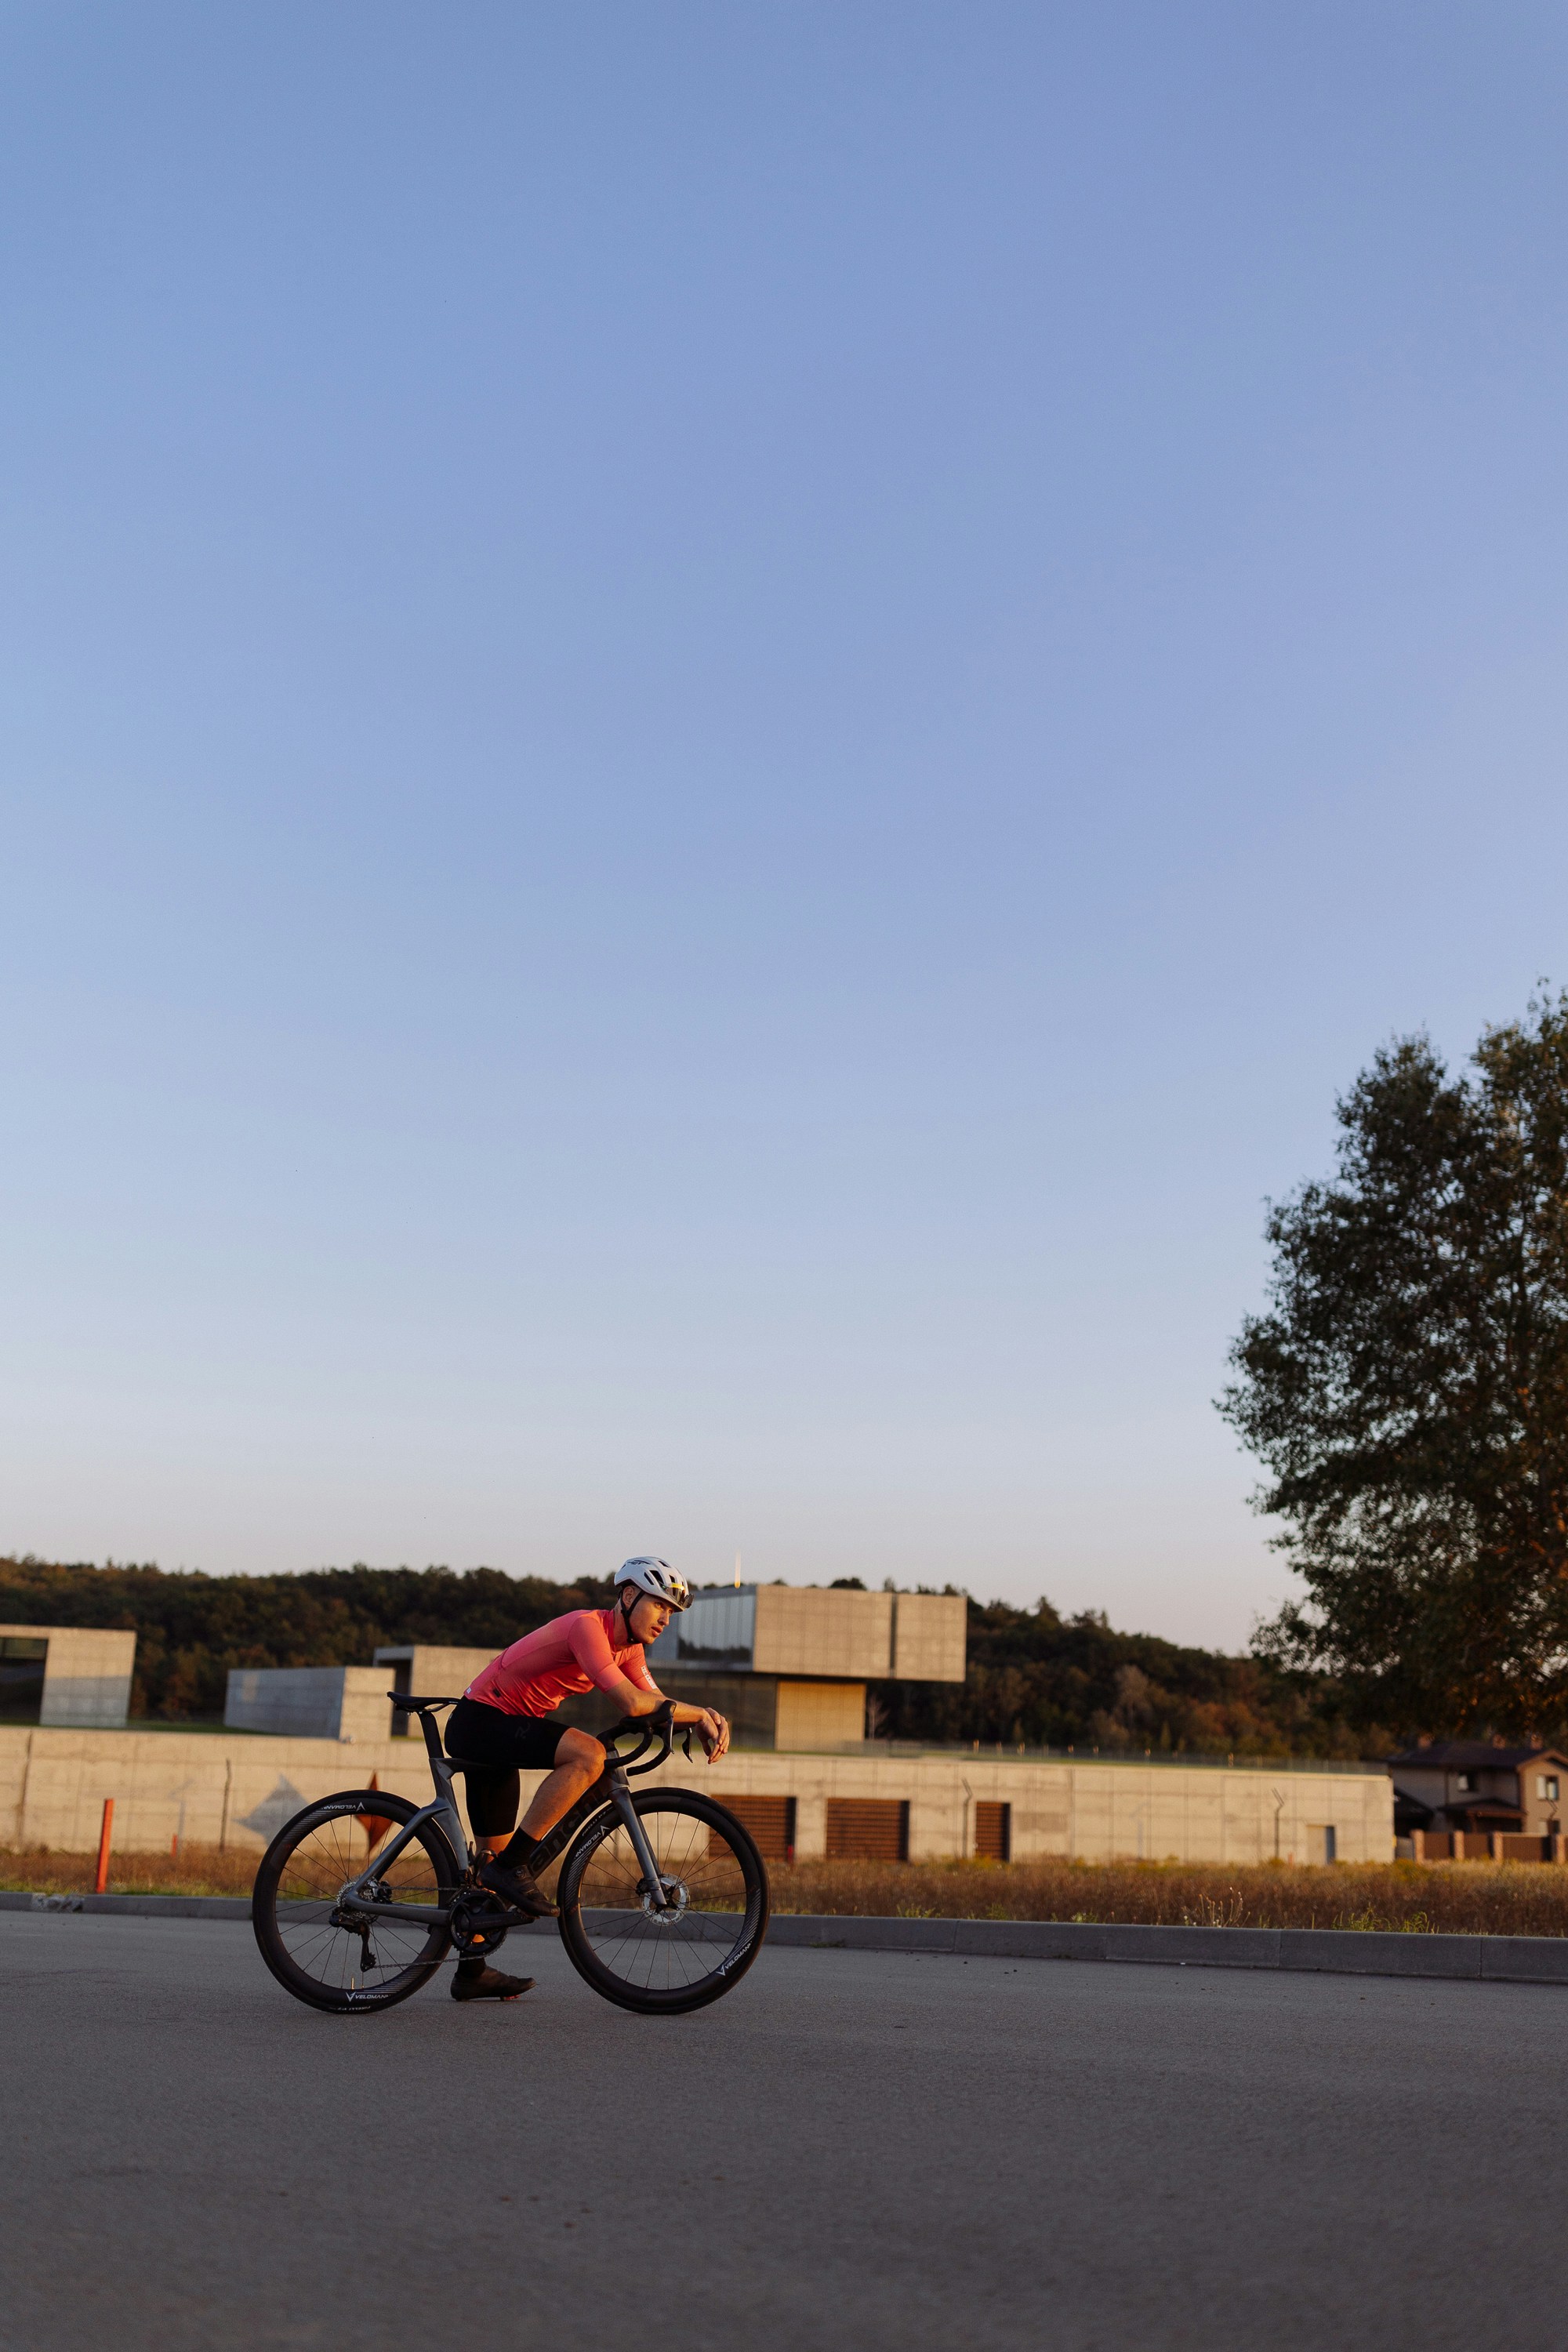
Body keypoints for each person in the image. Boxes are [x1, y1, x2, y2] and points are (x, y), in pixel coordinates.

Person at [442, 1557, 731, 2002]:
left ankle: (471, 1972)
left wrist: (691, 1718)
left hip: (504, 1731)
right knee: (588, 1754)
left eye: (671, 1613)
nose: (664, 1620)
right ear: (629, 1596)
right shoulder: (588, 1628)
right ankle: (512, 1868)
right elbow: (630, 1703)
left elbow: (651, 1699)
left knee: (487, 1869)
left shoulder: (629, 1650)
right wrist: (702, 1715)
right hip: (483, 1721)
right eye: (659, 1606)